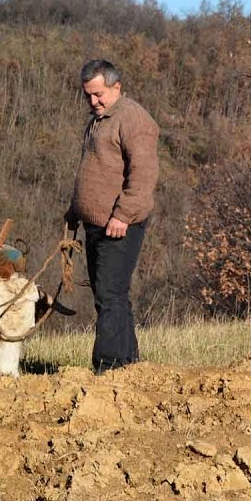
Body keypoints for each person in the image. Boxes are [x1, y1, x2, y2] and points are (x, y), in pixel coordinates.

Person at [65, 59, 159, 373]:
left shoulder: (133, 119)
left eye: (99, 94)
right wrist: (74, 211)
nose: (93, 101)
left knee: (110, 294)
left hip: (119, 225)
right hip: (96, 224)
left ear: (116, 87)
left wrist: (123, 214)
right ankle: (128, 364)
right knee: (110, 294)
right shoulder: (99, 119)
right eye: (88, 95)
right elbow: (90, 171)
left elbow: (144, 174)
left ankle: (108, 366)